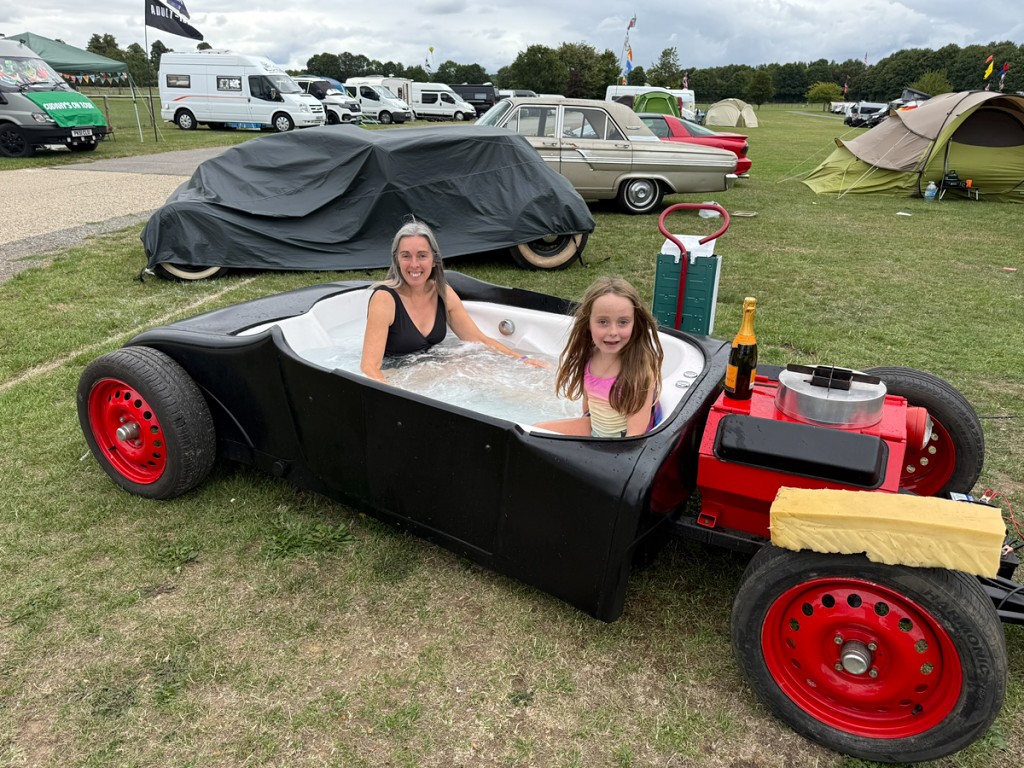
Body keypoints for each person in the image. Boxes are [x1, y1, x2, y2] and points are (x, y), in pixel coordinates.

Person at [360, 219, 544, 383]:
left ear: (434, 260)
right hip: (398, 378)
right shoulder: (385, 299)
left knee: (482, 369)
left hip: (432, 374)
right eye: (406, 256)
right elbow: (369, 367)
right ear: (397, 260)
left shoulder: (442, 293)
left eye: (422, 255)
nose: (414, 264)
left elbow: (477, 339)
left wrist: (521, 360)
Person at [535, 276, 663, 438]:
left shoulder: (639, 371)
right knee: (535, 432)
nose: (613, 332)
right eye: (603, 322)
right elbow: (588, 410)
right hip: (596, 433)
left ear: (634, 323)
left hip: (621, 443)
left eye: (623, 322)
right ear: (588, 322)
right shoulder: (589, 356)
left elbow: (635, 436)